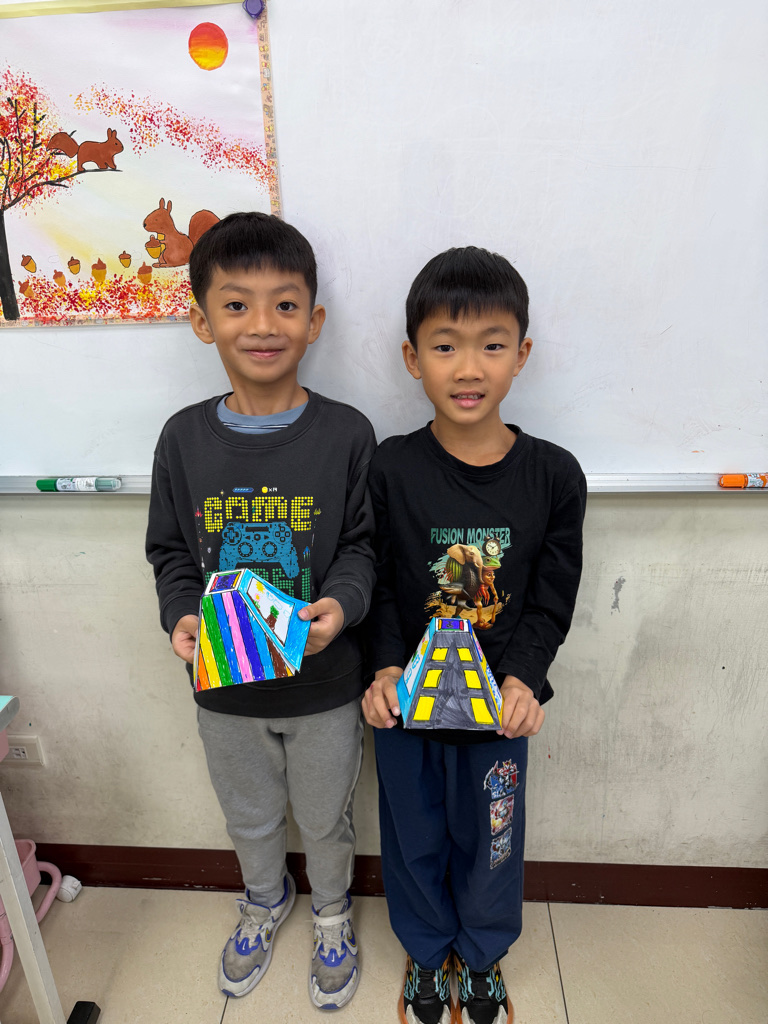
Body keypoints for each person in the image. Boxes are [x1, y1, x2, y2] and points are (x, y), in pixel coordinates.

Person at [146, 212, 375, 1010]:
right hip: (225, 688)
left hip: (325, 686)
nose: (263, 324)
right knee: (248, 815)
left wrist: (340, 608)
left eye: (285, 304)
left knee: (325, 816)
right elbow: (171, 550)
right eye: (236, 304)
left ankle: (333, 914)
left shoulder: (347, 433)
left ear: (314, 320)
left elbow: (362, 546)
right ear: (201, 320)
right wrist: (180, 614)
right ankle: (265, 899)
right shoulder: (182, 439)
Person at [363, 246, 586, 1024]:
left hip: (498, 714)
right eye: (444, 345)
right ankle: (428, 953)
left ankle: (484, 954)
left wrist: (523, 680)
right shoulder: (390, 468)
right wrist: (383, 670)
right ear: (412, 358)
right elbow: (378, 582)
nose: (468, 367)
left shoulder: (553, 475)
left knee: (493, 841)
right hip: (407, 710)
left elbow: (552, 596)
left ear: (521, 355)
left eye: (492, 345)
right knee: (413, 837)